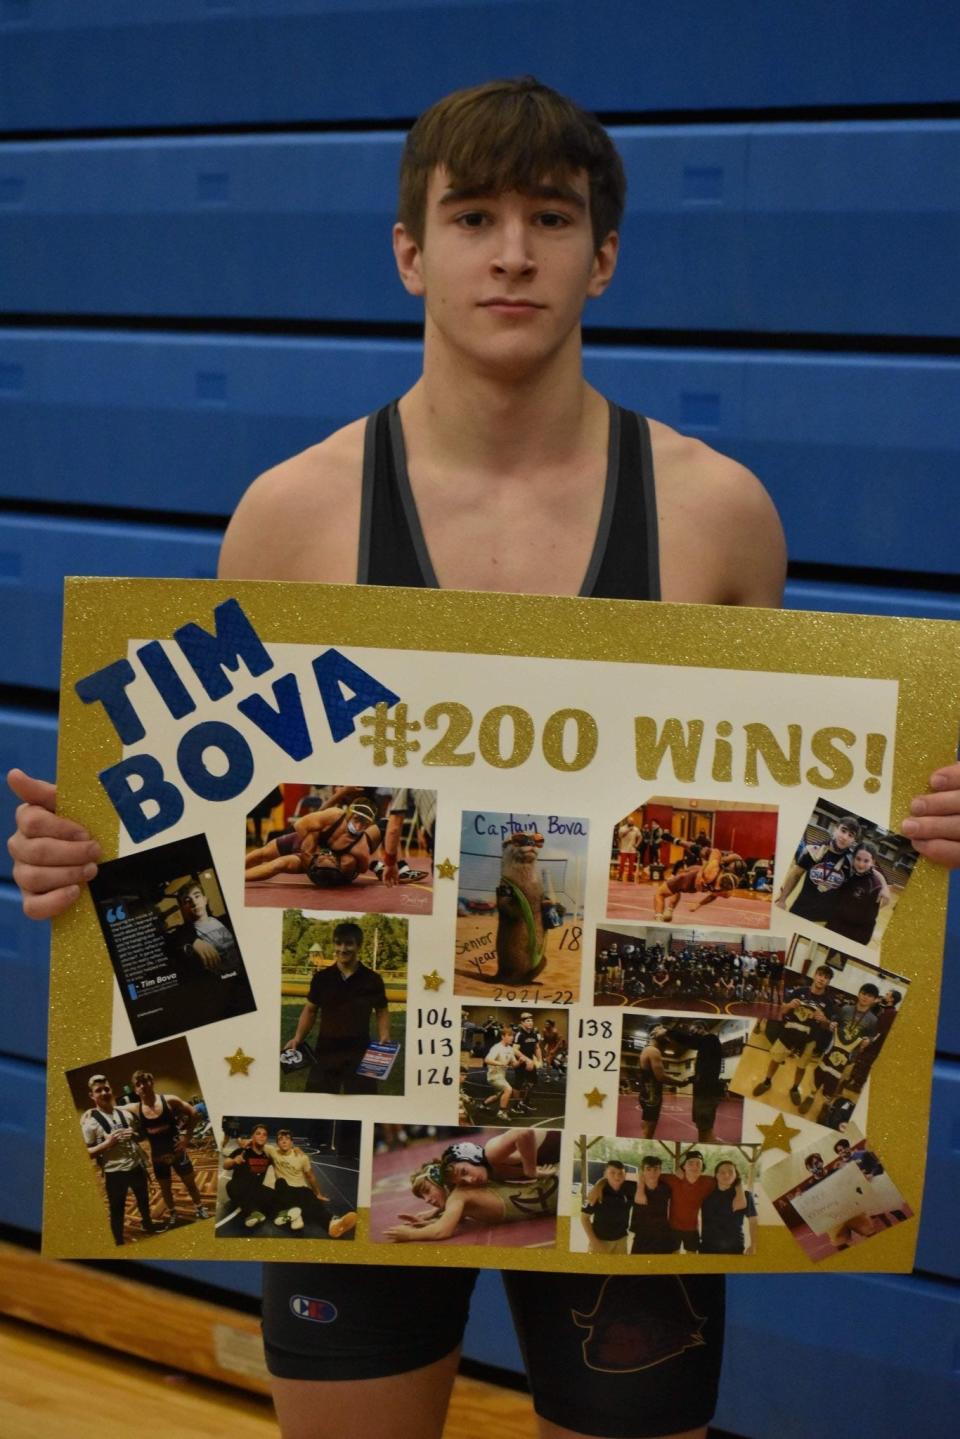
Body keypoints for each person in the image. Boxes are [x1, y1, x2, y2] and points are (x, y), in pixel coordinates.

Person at [8, 74, 960, 1439]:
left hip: (638, 1101)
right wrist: (92, 872)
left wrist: (903, 838)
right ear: (411, 250)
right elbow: (215, 841)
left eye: (550, 217)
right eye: (472, 217)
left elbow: (799, 831)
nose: (512, 252)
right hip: (347, 1097)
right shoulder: (292, 517)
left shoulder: (715, 515)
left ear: (604, 254)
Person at [283, 920, 390, 1094]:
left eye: (349, 943)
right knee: (317, 1101)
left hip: (360, 1049)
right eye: (338, 943)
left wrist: (385, 1035)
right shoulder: (321, 978)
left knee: (363, 1102)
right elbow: (310, 1010)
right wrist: (298, 1038)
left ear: (359, 946)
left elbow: (382, 1010)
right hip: (326, 1048)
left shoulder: (372, 979)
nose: (342, 949)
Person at [385, 1155, 559, 1243]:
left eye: (427, 1191)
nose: (427, 1200)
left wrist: (411, 1234)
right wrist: (433, 1217)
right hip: (553, 1185)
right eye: (422, 1197)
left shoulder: (459, 1196)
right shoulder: (469, 1184)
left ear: (439, 1180)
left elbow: (442, 1231)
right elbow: (455, 1217)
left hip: (558, 1190)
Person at [81, 1073, 157, 1245]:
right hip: (115, 1174)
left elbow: (139, 1136)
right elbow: (86, 1153)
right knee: (117, 1210)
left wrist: (135, 1134)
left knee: (144, 1201)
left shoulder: (125, 1114)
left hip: (136, 1167)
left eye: (106, 1089)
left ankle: (148, 1224)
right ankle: (118, 1241)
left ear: (111, 1090)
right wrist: (106, 1144)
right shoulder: (90, 1123)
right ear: (92, 1095)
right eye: (98, 1090)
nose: (103, 1093)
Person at [131, 1068, 209, 1225]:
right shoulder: (134, 1108)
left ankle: (199, 1207)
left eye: (145, 1081)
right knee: (165, 1189)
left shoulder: (169, 1100)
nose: (142, 1086)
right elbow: (112, 1110)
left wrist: (187, 1138)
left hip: (178, 1151)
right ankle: (173, 1213)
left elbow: (194, 1113)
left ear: (151, 1083)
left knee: (190, 1183)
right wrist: (92, 1112)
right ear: (135, 1089)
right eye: (138, 1084)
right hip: (158, 1156)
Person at [245, 798, 381, 888]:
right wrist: (314, 846)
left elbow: (362, 869)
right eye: (357, 820)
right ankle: (234, 872)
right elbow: (300, 825)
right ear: (348, 814)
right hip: (309, 850)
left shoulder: (360, 847)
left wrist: (333, 860)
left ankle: (239, 878)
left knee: (349, 861)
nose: (358, 827)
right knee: (263, 853)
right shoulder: (334, 815)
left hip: (320, 864)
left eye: (365, 824)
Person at [263, 1129, 358, 1238]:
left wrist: (318, 1194)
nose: (284, 1141)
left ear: (292, 1142)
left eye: (287, 1139)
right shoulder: (272, 1151)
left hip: (301, 1190)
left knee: (315, 1205)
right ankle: (296, 1216)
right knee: (280, 1182)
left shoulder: (302, 1157)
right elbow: (256, 1142)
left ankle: (332, 1224)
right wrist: (243, 1141)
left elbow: (310, 1176)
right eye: (281, 1139)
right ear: (277, 1143)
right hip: (284, 1190)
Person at [775, 814, 861, 923]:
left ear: (853, 840)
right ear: (835, 829)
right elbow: (795, 874)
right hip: (800, 912)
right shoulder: (814, 850)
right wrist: (782, 900)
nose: (845, 837)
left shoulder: (852, 862)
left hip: (826, 920)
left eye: (850, 835)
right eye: (843, 831)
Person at [823, 841, 891, 945]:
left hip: (854, 934)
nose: (861, 864)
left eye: (866, 861)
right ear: (853, 858)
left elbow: (870, 919)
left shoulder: (875, 886)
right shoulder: (848, 872)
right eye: (858, 859)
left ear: (873, 862)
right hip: (835, 925)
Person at [580, 1159, 638, 1254]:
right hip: (600, 1241)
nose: (617, 1176)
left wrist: (600, 1182)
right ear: (605, 1174)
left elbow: (645, 1179)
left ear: (625, 1174)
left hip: (621, 1240)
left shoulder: (630, 1188)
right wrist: (594, 1242)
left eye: (620, 1173)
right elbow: (584, 1218)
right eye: (612, 1172)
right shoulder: (596, 1193)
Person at [699, 1161, 756, 1256]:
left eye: (731, 1172)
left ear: (735, 1175)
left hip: (734, 1249)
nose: (726, 1175)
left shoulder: (745, 1195)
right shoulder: (706, 1194)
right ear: (716, 1175)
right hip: (707, 1248)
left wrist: (753, 1245)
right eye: (722, 1172)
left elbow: (753, 1220)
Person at [629, 1156, 675, 1255]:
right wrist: (599, 1184)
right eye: (648, 1169)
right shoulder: (633, 1187)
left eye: (656, 1169)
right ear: (643, 1171)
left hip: (662, 1235)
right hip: (641, 1236)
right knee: (637, 1268)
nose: (652, 1173)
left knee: (663, 1268)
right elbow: (610, 1181)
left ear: (660, 1170)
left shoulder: (666, 1188)